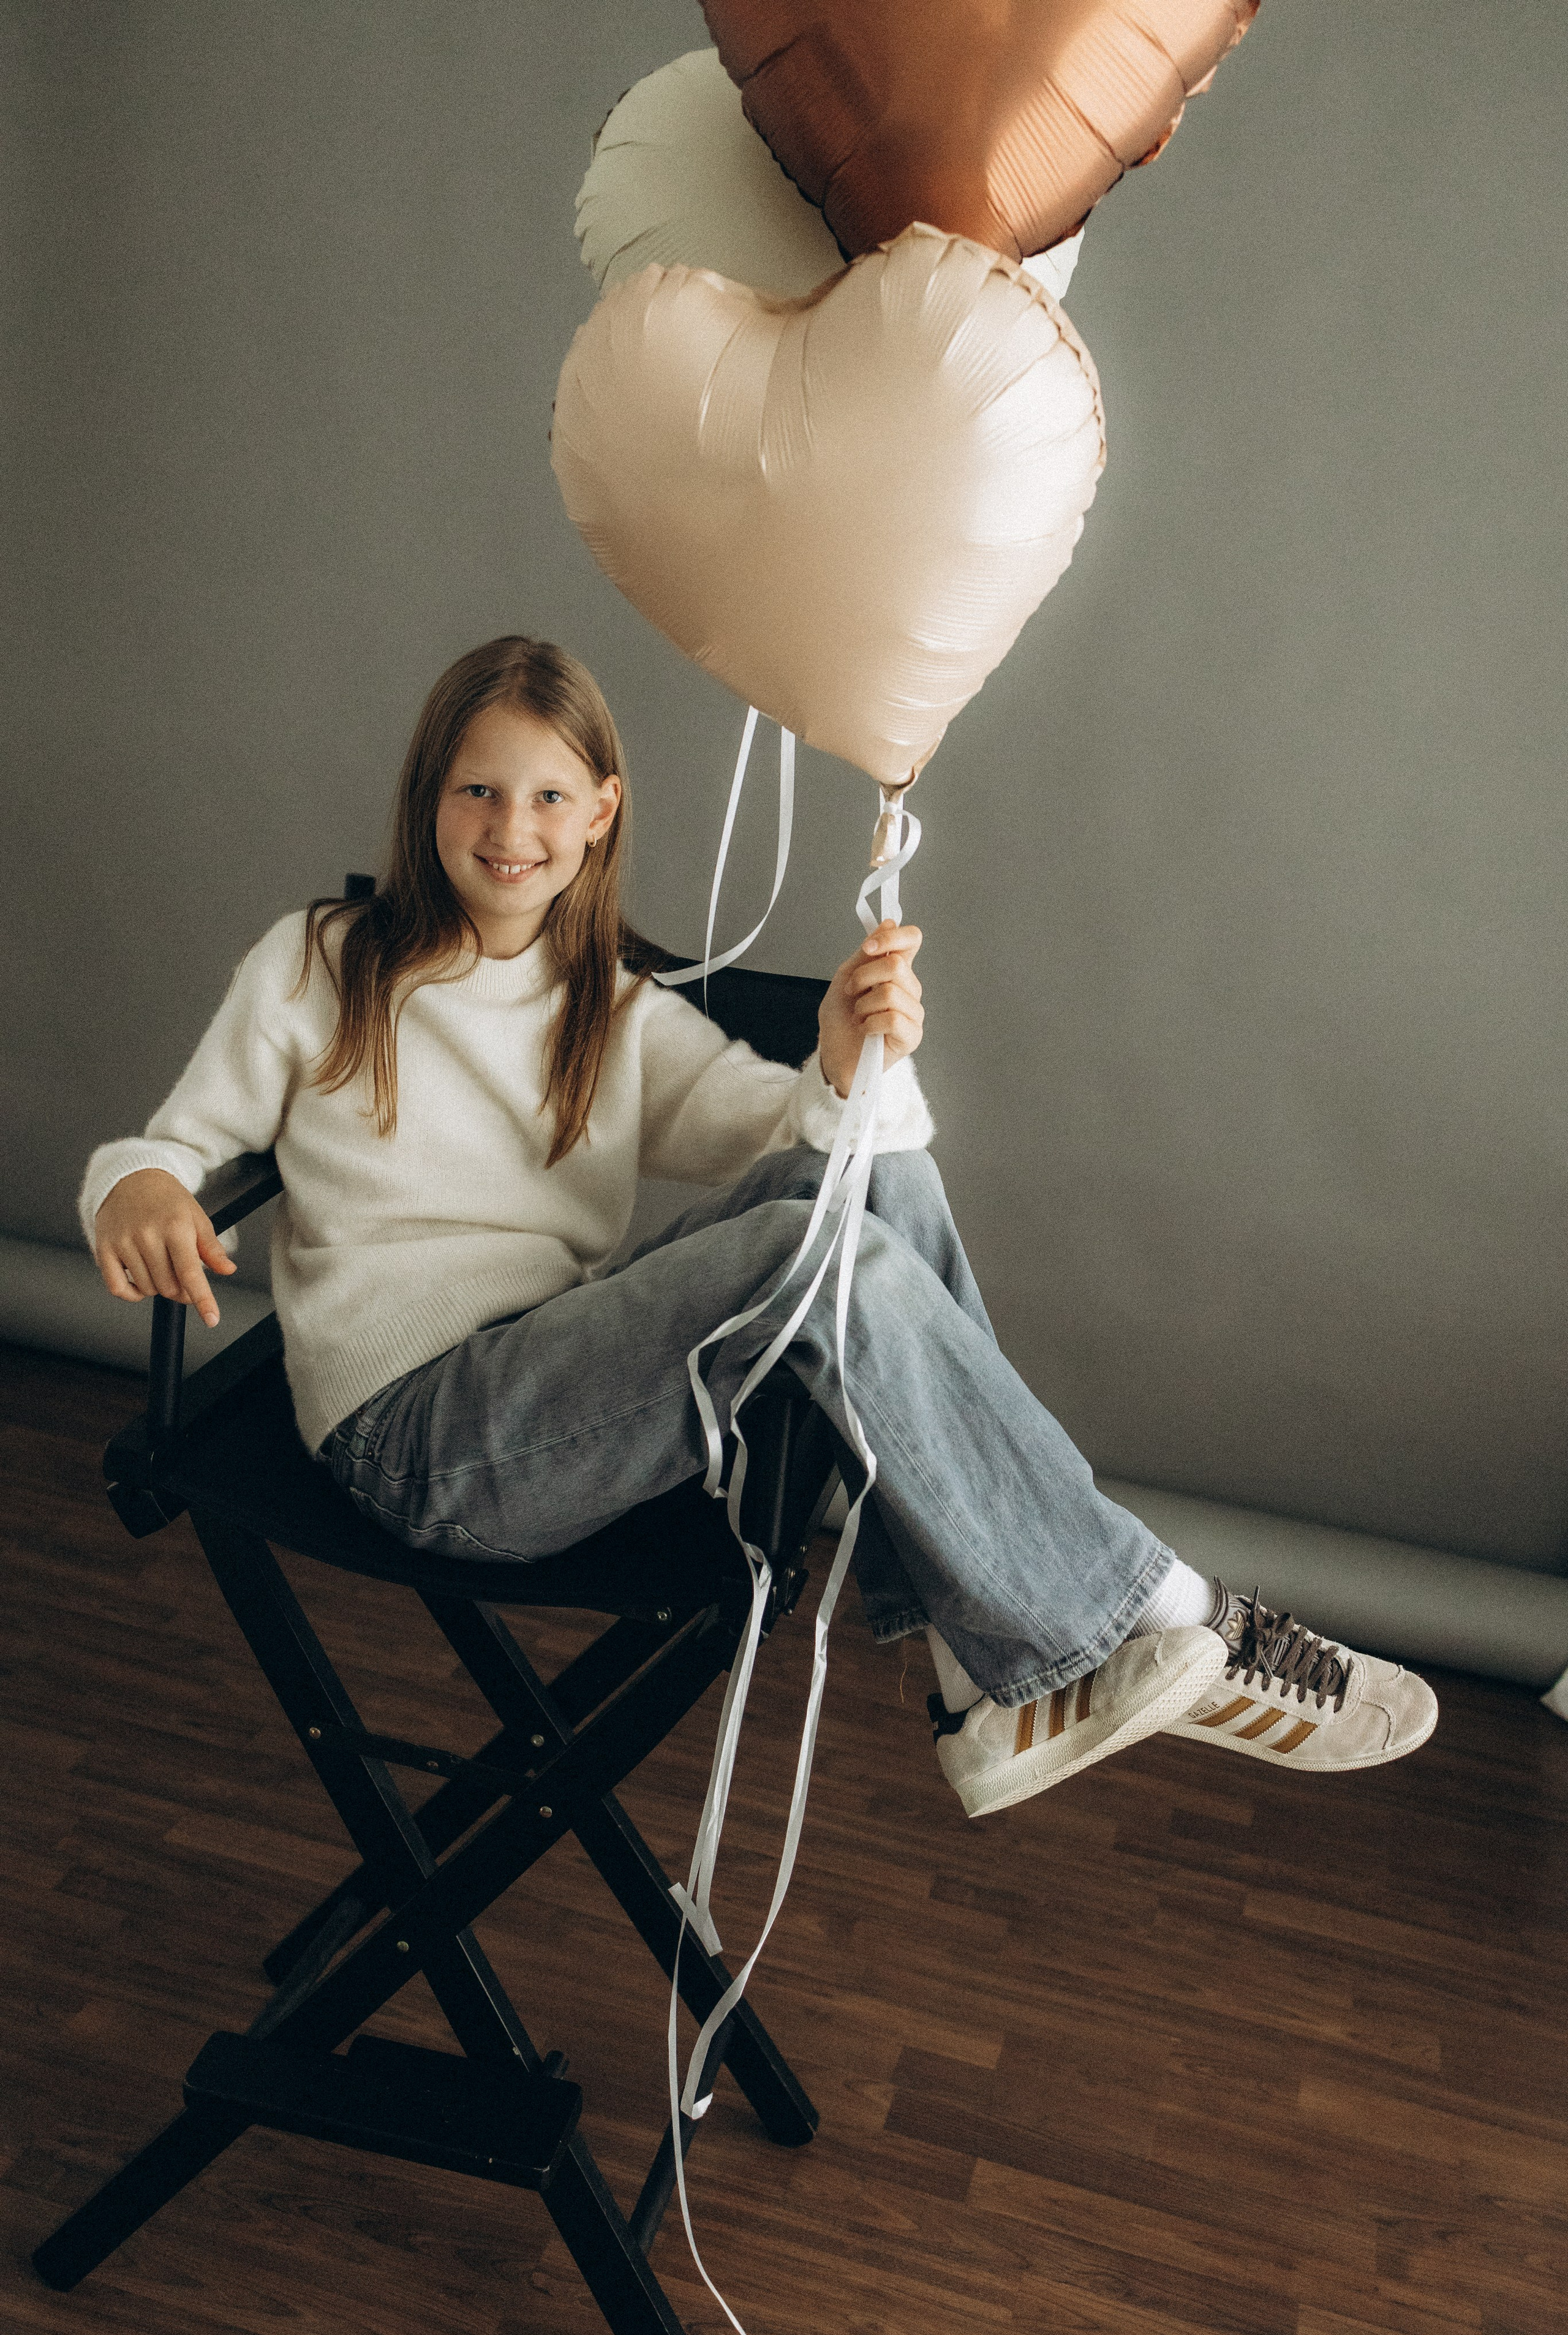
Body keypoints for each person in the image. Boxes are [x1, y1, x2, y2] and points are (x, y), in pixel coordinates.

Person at [81, 635, 1438, 1822]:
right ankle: (1156, 1617)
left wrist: (850, 1056)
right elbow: (169, 1144)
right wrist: (138, 1188)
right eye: (478, 789)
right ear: (428, 800)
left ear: (601, 811)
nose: (512, 827)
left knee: (857, 1189)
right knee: (817, 1244)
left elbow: (818, 1145)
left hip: (558, 1390)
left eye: (550, 794)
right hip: (421, 1444)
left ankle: (994, 1664)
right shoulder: (324, 960)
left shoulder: (607, 1007)